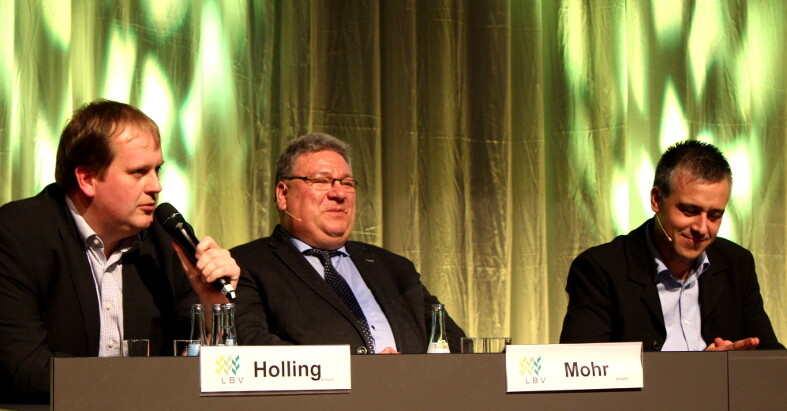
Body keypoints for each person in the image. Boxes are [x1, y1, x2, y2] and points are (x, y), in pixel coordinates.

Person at [0, 100, 241, 403]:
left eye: (157, 170)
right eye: (139, 172)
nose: (156, 186)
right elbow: (22, 369)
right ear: (87, 179)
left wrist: (211, 308)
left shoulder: (163, 244)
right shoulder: (18, 234)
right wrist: (135, 384)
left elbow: (202, 372)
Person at [232, 133, 465, 354]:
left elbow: (457, 348)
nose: (339, 194)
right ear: (283, 195)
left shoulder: (395, 269)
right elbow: (251, 346)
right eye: (321, 181)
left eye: (347, 183)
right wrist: (363, 370)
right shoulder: (244, 266)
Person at [560, 140, 783, 351]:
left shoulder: (736, 263)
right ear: (657, 200)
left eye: (714, 215)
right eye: (690, 211)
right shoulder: (600, 269)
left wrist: (737, 362)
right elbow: (583, 368)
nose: (702, 228)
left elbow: (771, 358)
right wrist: (706, 370)